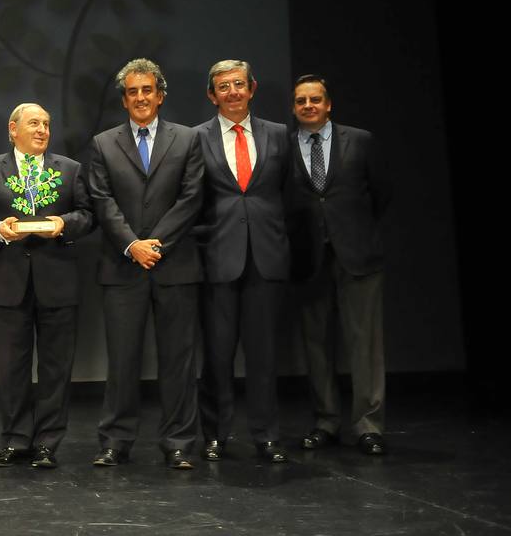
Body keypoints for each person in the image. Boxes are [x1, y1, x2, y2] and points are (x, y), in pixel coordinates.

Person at [87, 58, 204, 470]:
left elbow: (192, 197)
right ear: (124, 99)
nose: (141, 98)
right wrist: (132, 245)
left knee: (178, 360)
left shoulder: (188, 140)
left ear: (160, 95)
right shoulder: (103, 143)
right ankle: (116, 441)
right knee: (122, 360)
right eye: (133, 92)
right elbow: (101, 200)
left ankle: (179, 443)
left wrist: (157, 244)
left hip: (176, 266)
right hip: (123, 266)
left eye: (147, 90)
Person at [0, 103, 93, 470]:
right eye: (34, 123)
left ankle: (47, 444)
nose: (41, 130)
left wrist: (63, 223)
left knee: (56, 367)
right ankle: (15, 440)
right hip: (10, 282)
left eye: (46, 124)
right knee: (12, 367)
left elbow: (88, 216)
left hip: (58, 281)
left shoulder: (69, 170)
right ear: (13, 129)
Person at [286, 75, 391, 455]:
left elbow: (381, 194)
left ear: (328, 104)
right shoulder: (283, 145)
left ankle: (369, 425)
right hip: (309, 257)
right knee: (316, 344)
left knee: (365, 343)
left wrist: (352, 230)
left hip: (357, 254)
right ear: (294, 107)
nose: (308, 106)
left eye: (315, 99)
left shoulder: (359, 141)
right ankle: (326, 420)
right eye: (301, 101)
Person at [196, 59, 292, 463]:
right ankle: (216, 434)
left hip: (266, 257)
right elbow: (192, 199)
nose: (232, 91)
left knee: (264, 353)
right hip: (218, 257)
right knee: (217, 353)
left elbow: (291, 193)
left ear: (252, 88)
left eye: (239, 84)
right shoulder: (195, 138)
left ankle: (266, 434)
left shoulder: (279, 135)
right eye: (223, 86)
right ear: (211, 95)